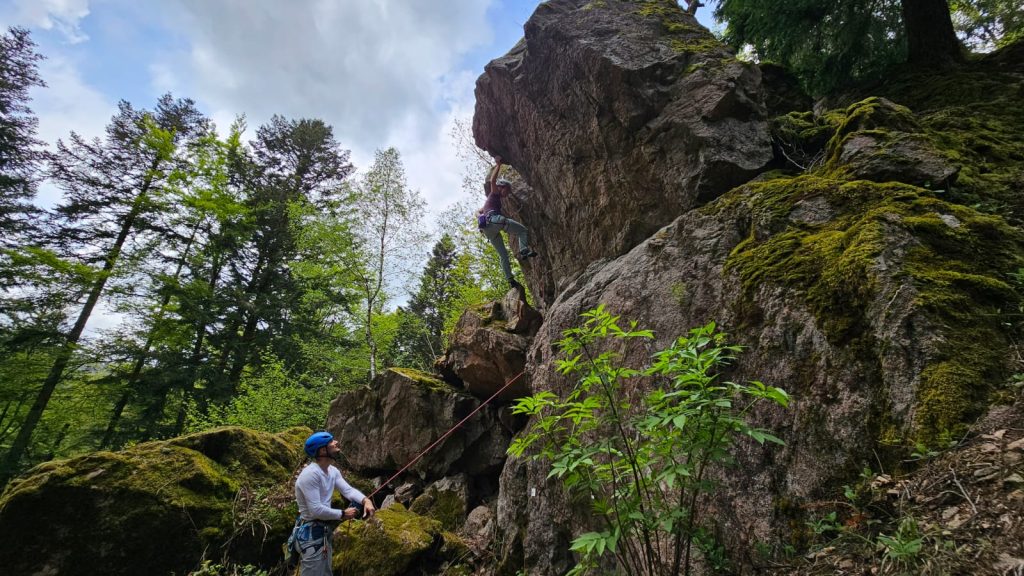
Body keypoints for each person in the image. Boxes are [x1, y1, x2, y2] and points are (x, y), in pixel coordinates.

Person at [289, 431, 377, 576]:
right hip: (310, 535)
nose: (336, 443)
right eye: (331, 442)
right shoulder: (310, 475)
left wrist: (365, 500)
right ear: (323, 450)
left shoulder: (332, 471)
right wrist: (343, 514)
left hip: (320, 532)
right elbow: (316, 510)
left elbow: (348, 490)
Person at [478, 155, 536, 290]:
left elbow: (479, 211)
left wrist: (479, 218)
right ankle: (524, 250)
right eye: (507, 190)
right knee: (522, 231)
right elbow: (493, 181)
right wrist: (498, 164)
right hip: (495, 221)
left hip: (487, 230)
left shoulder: (489, 201)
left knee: (503, 255)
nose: (507, 194)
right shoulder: (495, 193)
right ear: (502, 187)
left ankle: (510, 280)